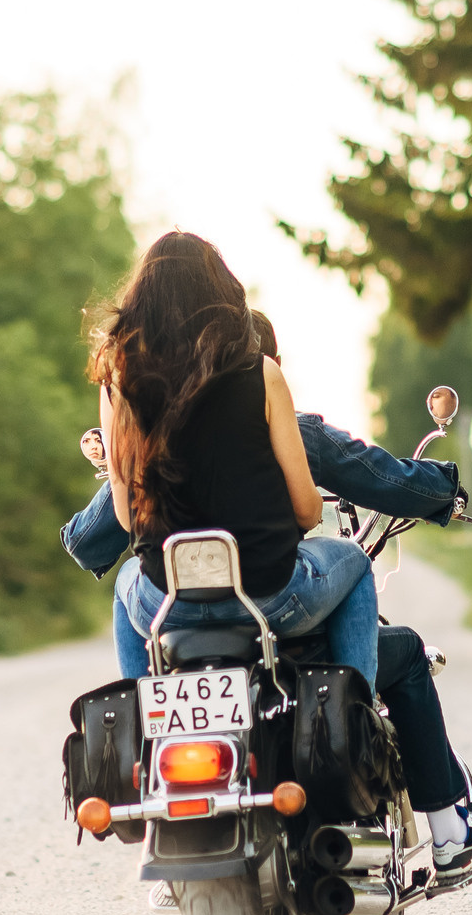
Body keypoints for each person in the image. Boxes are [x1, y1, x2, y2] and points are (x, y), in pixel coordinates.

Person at [63, 308, 472, 867]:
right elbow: (380, 477)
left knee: (127, 580)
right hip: (274, 606)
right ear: (267, 365)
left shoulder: (161, 436)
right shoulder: (278, 415)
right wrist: (444, 493)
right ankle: (364, 746)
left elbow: (90, 540)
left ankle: (148, 734)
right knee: (385, 619)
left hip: (179, 618)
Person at [90, 232, 378, 689]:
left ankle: (148, 718)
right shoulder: (262, 374)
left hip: (166, 603)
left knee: (128, 577)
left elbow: (126, 517)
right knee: (355, 563)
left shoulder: (119, 385)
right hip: (267, 598)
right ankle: (352, 715)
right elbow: (307, 510)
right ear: (223, 298)